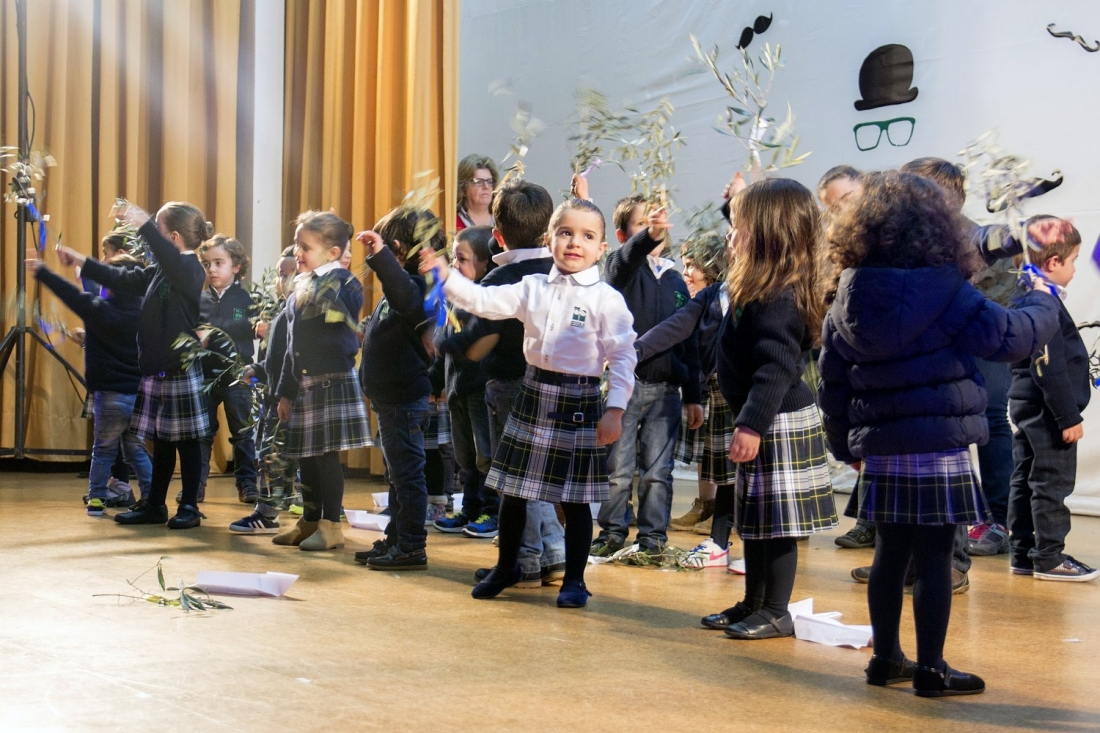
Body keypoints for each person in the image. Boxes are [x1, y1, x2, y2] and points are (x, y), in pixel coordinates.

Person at [818, 170, 1059, 696]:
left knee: (887, 557)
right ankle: (931, 669)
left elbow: (831, 382)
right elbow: (1010, 338)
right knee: (933, 560)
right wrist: (1045, 297)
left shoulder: (847, 296)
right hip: (939, 445)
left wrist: (845, 446)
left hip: (883, 450)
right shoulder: (947, 291)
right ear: (936, 228)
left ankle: (885, 661)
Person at [421, 197, 636, 608]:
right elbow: (483, 303)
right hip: (533, 393)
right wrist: (445, 276)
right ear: (549, 238)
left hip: (580, 401)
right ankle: (508, 567)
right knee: (514, 491)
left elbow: (624, 356)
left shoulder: (607, 299)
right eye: (566, 232)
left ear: (602, 248)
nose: (575, 243)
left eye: (587, 236)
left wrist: (615, 409)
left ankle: (575, 579)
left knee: (573, 500)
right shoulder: (531, 287)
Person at [710, 179, 837, 641]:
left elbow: (776, 368)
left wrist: (751, 425)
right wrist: (738, 197)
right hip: (763, 420)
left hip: (775, 420)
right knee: (758, 522)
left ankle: (777, 610)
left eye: (740, 226)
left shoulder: (779, 296)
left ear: (767, 236)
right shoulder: (762, 283)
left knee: (779, 525)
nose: (731, 234)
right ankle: (754, 601)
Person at [441, 180, 567, 585]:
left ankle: (528, 559)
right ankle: (552, 554)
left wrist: (443, 340)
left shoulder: (501, 280)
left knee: (517, 478)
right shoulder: (561, 272)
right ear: (549, 233)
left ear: (497, 236)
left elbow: (477, 343)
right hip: (558, 385)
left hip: (512, 386)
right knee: (539, 474)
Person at [57, 201, 213, 529]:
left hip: (180, 366)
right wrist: (83, 262)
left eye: (157, 229)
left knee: (186, 442)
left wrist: (141, 222)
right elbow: (122, 278)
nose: (151, 235)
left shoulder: (189, 268)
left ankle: (188, 506)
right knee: (163, 440)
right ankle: (154, 504)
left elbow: (167, 257)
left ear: (172, 237)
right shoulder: (162, 269)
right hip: (156, 369)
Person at [590, 196, 701, 563]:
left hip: (666, 390)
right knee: (618, 470)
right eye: (643, 225)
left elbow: (689, 340)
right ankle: (613, 532)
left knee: (658, 471)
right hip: (625, 388)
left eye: (659, 224)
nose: (655, 230)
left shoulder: (675, 279)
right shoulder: (620, 271)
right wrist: (644, 240)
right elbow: (621, 263)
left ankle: (653, 537)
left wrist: (693, 393)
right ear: (624, 234)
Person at [634, 228, 743, 577]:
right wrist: (630, 352)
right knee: (725, 473)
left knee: (745, 474)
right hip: (720, 395)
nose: (686, 273)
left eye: (693, 265)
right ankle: (719, 539)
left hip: (749, 398)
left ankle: (748, 545)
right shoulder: (709, 297)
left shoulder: (748, 298)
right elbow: (675, 328)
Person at [27, 231, 152, 517]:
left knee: (103, 450)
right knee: (136, 450)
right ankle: (150, 497)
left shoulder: (99, 310)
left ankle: (96, 500)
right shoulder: (144, 315)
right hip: (138, 396)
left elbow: (71, 295)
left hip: (108, 395)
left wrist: (43, 271)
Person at [272, 211, 370, 551]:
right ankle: (310, 519)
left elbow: (346, 307)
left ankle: (331, 526)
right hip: (305, 385)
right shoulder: (302, 284)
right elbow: (291, 347)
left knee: (326, 457)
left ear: (332, 253)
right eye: (297, 245)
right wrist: (285, 393)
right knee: (306, 457)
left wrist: (318, 289)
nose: (298, 252)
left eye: (305, 247)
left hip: (331, 383)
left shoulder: (344, 282)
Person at [353, 207, 445, 570]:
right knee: (397, 474)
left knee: (408, 474)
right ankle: (396, 536)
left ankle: (411, 545)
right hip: (390, 400)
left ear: (397, 250)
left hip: (406, 399)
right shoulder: (405, 283)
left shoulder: (421, 285)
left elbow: (406, 299)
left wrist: (380, 257)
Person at [1007, 217, 1096, 581]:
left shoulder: (1021, 295)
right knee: (1051, 482)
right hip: (1047, 409)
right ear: (1054, 262)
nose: (1076, 267)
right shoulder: (1041, 303)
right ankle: (1048, 557)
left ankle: (1024, 553)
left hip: (1026, 403)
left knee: (1026, 476)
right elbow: (1048, 366)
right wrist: (1067, 417)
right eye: (1074, 260)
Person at [230, 247, 299, 533]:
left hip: (286, 397)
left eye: (287, 274)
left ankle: (268, 513)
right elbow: (274, 357)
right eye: (279, 274)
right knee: (269, 455)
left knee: (276, 457)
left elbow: (293, 358)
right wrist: (255, 370)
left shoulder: (296, 311)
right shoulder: (282, 311)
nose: (279, 281)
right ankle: (269, 510)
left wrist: (285, 393)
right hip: (274, 395)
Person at [434, 226, 497, 533]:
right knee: (465, 457)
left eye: (462, 259)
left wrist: (448, 342)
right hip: (457, 390)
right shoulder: (455, 300)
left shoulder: (487, 299)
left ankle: (492, 510)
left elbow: (463, 342)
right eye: (454, 259)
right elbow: (443, 342)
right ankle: (469, 509)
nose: (456, 266)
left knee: (486, 454)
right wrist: (436, 382)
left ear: (485, 262)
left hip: (480, 390)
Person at [192, 235, 260, 505]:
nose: (212, 270)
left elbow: (254, 327)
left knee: (242, 432)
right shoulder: (199, 300)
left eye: (219, 263)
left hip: (238, 375)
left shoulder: (248, 298)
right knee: (202, 434)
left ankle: (247, 485)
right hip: (206, 375)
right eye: (207, 264)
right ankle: (195, 485)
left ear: (236, 267)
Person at [456, 154, 498, 230]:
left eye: (489, 181)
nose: (486, 187)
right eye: (478, 182)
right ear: (463, 188)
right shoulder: (452, 222)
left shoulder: (504, 220)